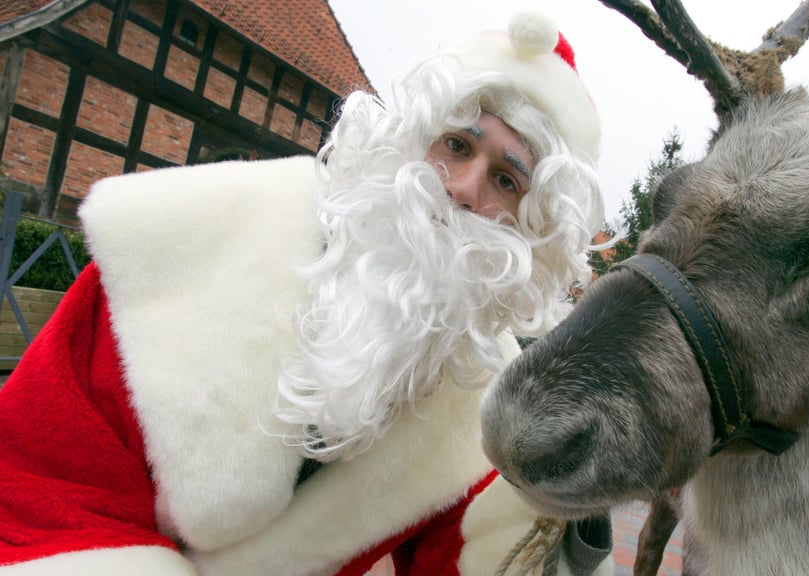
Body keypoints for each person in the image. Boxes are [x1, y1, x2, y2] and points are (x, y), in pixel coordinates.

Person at [0, 10, 614, 576]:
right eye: (456, 145)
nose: (461, 188)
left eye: (505, 180)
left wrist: (570, 499)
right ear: (409, 139)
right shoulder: (187, 239)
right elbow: (37, 480)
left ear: (530, 227)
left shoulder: (482, 395)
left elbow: (470, 559)